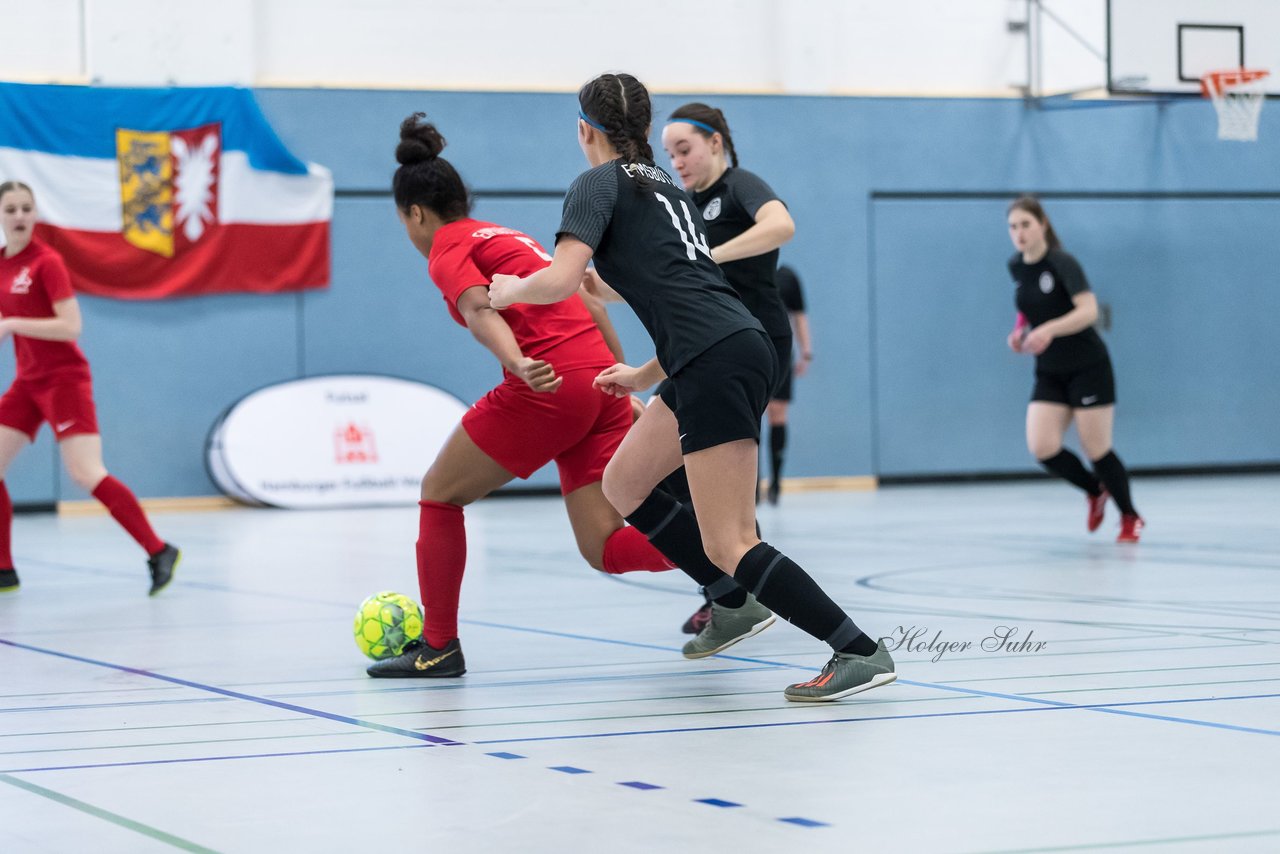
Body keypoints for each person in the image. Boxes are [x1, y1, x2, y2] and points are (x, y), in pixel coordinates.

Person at [488, 73, 897, 702]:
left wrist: (511, 290)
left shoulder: (595, 184)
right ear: (647, 131)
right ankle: (732, 602)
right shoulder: (669, 193)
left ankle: (856, 649)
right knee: (624, 483)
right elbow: (681, 291)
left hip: (715, 357)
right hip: (717, 349)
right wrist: (644, 373)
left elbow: (562, 279)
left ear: (584, 130)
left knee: (729, 539)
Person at [365, 114, 679, 678]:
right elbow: (591, 301)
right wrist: (617, 373)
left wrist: (516, 363)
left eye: (403, 221)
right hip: (595, 379)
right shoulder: (510, 236)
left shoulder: (445, 247)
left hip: (547, 386)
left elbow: (477, 308)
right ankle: (721, 548)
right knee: (602, 546)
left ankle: (438, 646)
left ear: (414, 213)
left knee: (440, 495)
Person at [0, 181, 179, 594]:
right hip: (27, 381)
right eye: (11, 209)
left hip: (64, 379)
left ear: (35, 214)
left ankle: (158, 550)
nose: (20, 216)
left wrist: (12, 325)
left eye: (27, 208)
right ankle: (4, 569)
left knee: (85, 472)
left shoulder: (47, 263)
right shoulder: (3, 264)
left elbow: (70, 326)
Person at [1006, 196, 1143, 543]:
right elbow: (1028, 306)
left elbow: (1088, 311)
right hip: (1050, 369)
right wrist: (1020, 332)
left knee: (1096, 448)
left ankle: (1130, 516)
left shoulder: (1063, 262)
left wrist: (1049, 329)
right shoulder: (1017, 266)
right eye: (1013, 227)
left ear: (1043, 225)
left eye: (1026, 224)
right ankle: (1095, 492)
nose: (1019, 233)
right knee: (1042, 446)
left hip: (1087, 365)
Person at [766, 263, 812, 505]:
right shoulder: (744, 271)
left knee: (778, 415)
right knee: (751, 415)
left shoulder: (787, 277)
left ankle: (775, 481)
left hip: (781, 352)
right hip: (752, 348)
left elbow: (800, 316)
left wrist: (806, 352)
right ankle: (751, 485)